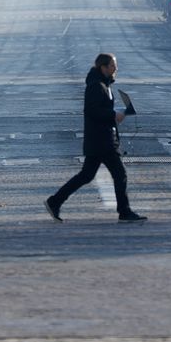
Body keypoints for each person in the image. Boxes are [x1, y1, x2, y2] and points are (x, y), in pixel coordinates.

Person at [45, 53, 146, 223]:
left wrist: (115, 115)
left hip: (100, 140)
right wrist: (114, 115)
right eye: (113, 65)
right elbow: (92, 111)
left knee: (86, 175)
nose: (116, 69)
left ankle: (55, 201)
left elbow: (99, 110)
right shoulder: (96, 86)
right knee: (119, 174)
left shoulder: (103, 85)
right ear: (103, 67)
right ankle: (124, 211)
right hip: (102, 141)